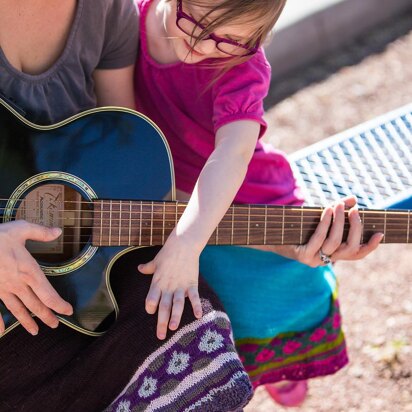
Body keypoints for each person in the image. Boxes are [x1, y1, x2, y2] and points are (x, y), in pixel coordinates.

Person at [0, 1, 253, 411]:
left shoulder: (109, 10)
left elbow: (125, 157)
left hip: (82, 271)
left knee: (187, 323)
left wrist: (294, 241)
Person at [133, 0, 384, 407]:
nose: (206, 46)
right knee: (210, 307)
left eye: (231, 39)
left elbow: (231, 155)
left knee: (265, 302)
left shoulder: (243, 65)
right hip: (177, 200)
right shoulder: (133, 18)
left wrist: (188, 239)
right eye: (193, 22)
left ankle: (276, 369)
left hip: (249, 199)